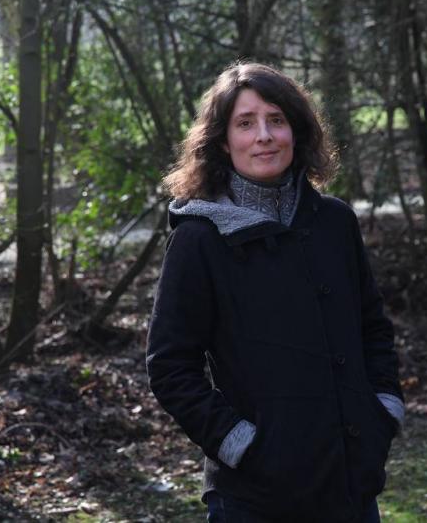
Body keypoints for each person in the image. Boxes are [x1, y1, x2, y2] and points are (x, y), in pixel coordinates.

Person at [146, 62, 404, 523]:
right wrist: (241, 444)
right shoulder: (199, 238)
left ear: (296, 131)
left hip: (352, 488)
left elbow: (373, 329)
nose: (264, 136)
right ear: (223, 141)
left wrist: (384, 410)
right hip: (254, 498)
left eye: (276, 120)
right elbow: (170, 367)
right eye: (245, 123)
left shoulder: (335, 223)